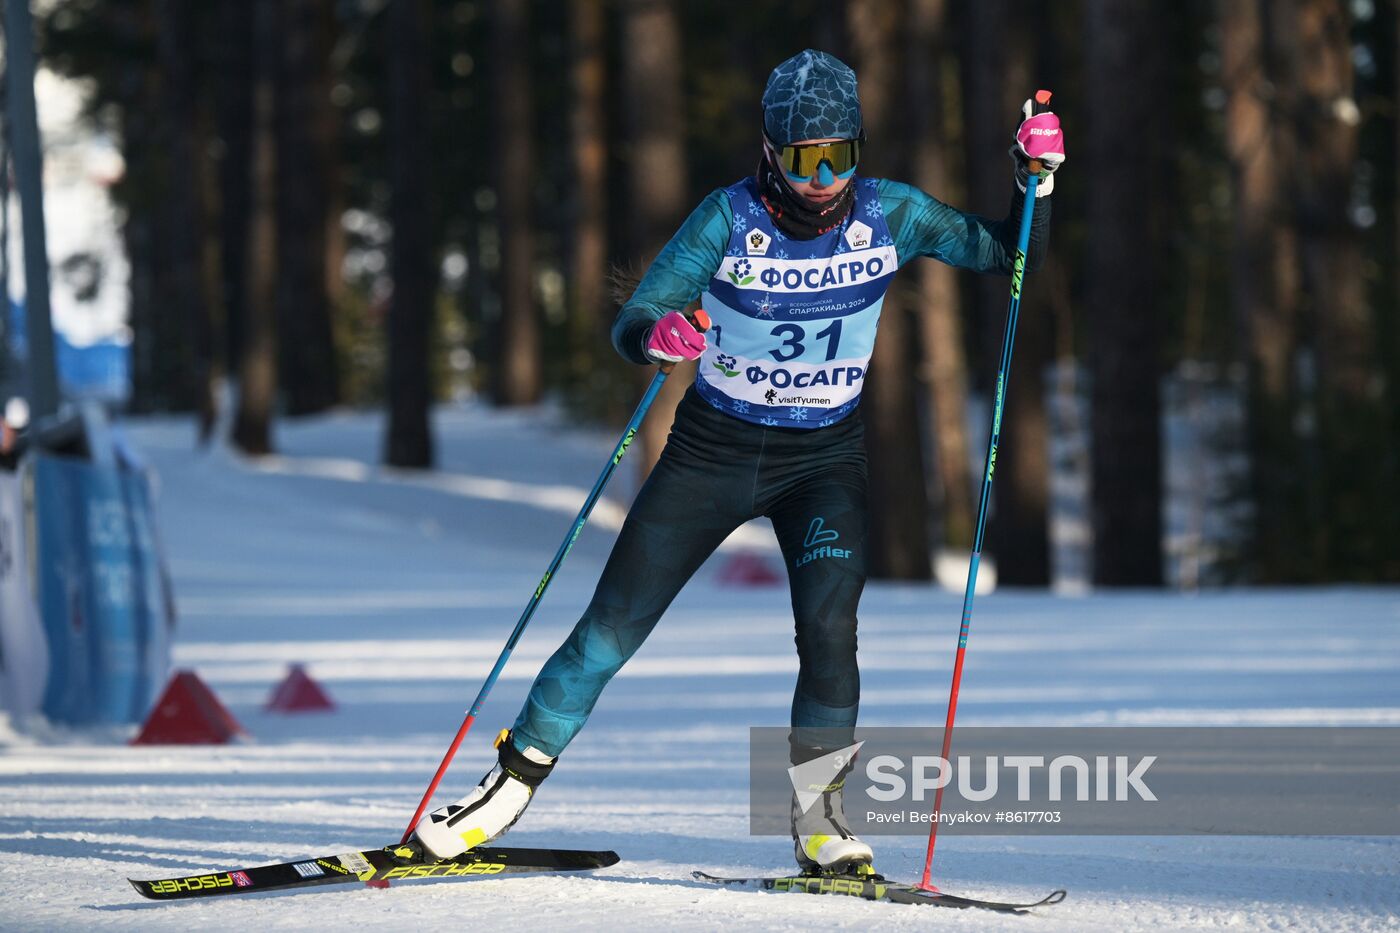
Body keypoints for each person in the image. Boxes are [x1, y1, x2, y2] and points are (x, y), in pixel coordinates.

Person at [413, 49, 1064, 875]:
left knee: (830, 632)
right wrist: (659, 334)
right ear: (769, 150)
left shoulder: (891, 213)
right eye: (802, 159)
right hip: (713, 453)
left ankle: (820, 819)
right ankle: (502, 791)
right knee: (611, 629)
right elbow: (643, 309)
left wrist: (1034, 180)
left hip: (824, 460)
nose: (823, 177)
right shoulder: (728, 219)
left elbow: (1010, 258)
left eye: (840, 155)